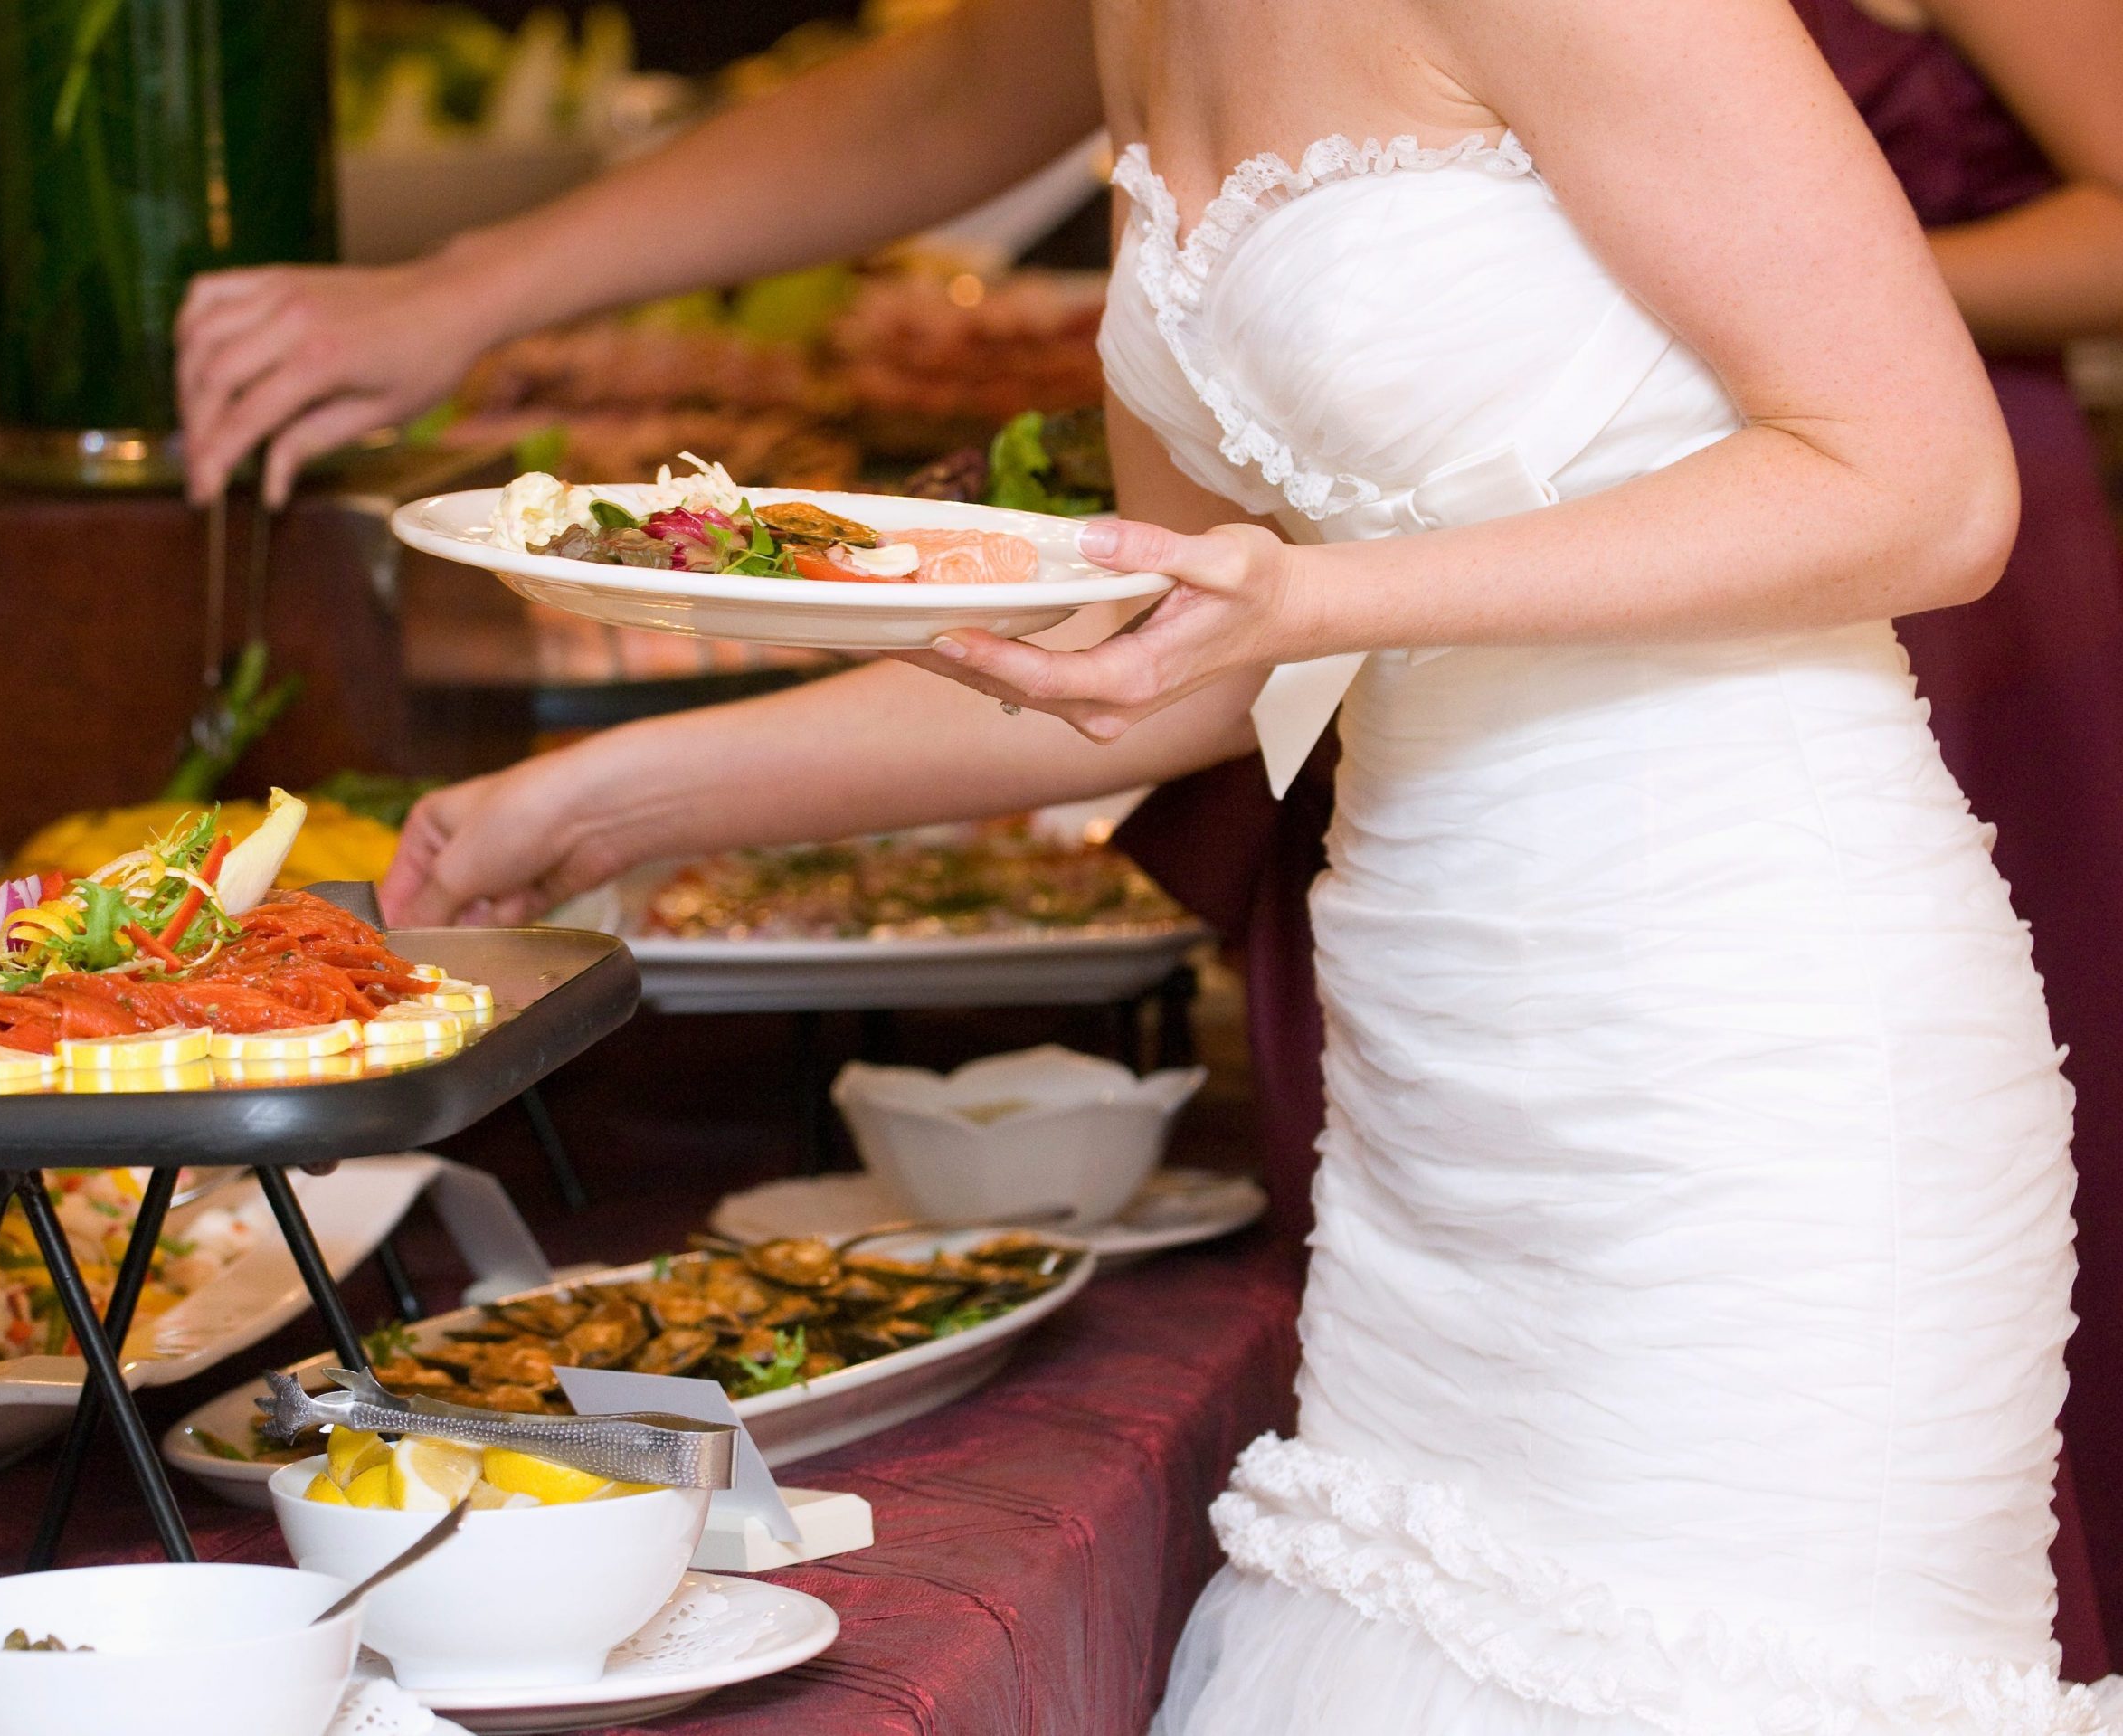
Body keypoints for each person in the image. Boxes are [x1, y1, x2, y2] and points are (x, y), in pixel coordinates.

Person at [179, 0, 2114, 1725]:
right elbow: (1170, 652)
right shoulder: (1131, 24)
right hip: (1429, 1101)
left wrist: (1332, 595)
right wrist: (614, 800)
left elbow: (1922, 482)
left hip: (1755, 1050)